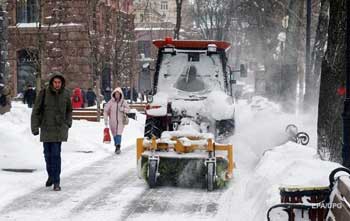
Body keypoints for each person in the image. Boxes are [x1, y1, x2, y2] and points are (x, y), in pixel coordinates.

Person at [31, 73, 72, 191]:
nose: (57, 84)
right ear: (52, 83)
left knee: (56, 155)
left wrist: (68, 123)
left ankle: (56, 181)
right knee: (47, 156)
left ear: (62, 83)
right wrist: (34, 127)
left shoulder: (66, 94)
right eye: (55, 82)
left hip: (59, 130)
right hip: (46, 129)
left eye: (59, 82)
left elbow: (69, 110)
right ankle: (51, 175)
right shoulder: (44, 93)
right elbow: (36, 111)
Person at [103, 87, 130, 154]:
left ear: (120, 94)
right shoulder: (110, 102)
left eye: (118, 94)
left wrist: (123, 109)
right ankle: (116, 145)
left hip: (121, 121)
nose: (117, 95)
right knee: (114, 135)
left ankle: (118, 146)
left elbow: (128, 110)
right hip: (112, 122)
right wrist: (105, 119)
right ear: (114, 94)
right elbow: (105, 110)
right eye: (116, 94)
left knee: (119, 134)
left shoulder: (123, 102)